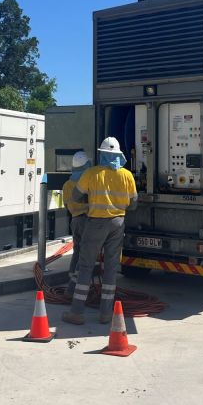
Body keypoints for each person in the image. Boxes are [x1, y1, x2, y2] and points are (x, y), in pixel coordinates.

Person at [62, 137, 137, 325]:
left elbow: (76, 197)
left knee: (86, 266)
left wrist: (94, 199)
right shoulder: (127, 175)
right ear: (118, 155)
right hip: (118, 223)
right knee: (111, 268)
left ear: (101, 154)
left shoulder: (91, 173)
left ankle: (77, 312)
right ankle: (106, 313)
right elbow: (134, 203)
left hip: (96, 223)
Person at [62, 151, 91, 297]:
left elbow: (66, 204)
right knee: (85, 255)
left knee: (77, 252)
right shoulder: (85, 183)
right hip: (86, 220)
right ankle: (77, 287)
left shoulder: (67, 184)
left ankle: (71, 283)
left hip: (74, 220)